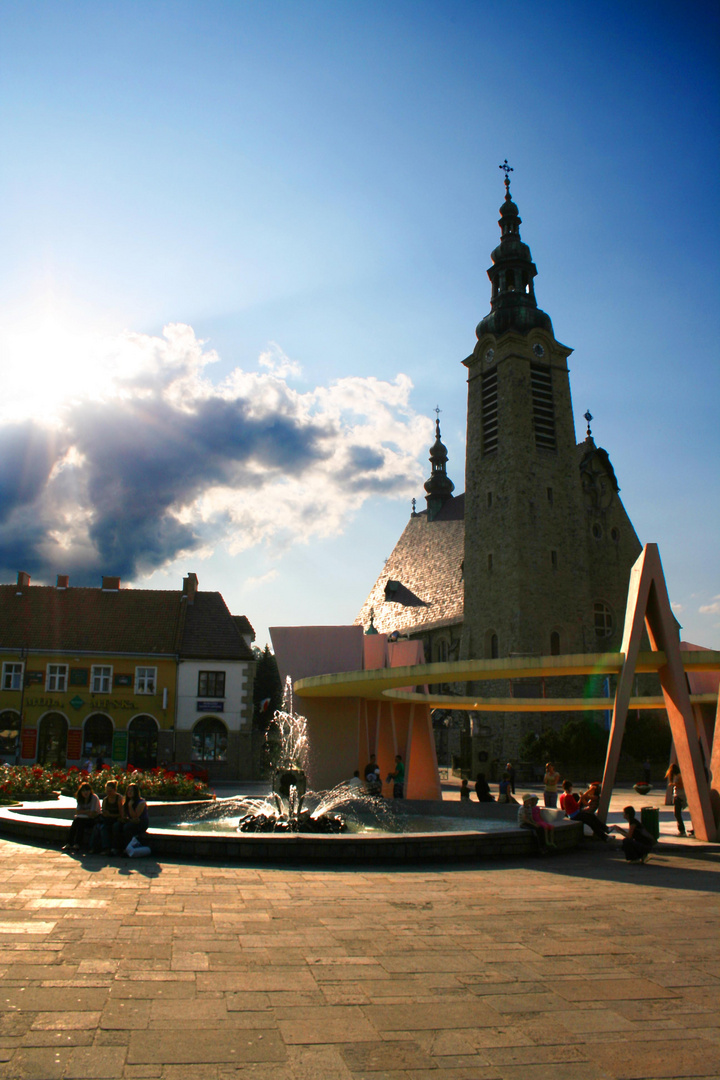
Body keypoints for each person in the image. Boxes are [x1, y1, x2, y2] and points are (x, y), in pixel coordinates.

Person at [62, 782, 101, 852]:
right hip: (83, 818)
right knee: (76, 822)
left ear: (90, 791)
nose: (85, 793)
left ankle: (77, 844)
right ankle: (69, 843)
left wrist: (84, 811)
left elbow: (92, 813)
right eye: (83, 791)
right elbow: (78, 811)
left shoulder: (94, 798)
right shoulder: (80, 798)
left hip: (94, 819)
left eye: (87, 790)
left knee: (80, 822)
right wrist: (87, 811)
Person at [91, 779, 123, 854]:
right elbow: (103, 811)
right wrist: (104, 814)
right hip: (107, 819)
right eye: (107, 791)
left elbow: (121, 814)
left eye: (110, 791)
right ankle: (94, 847)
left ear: (114, 790)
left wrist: (110, 815)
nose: (108, 793)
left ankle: (109, 848)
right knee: (98, 827)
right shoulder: (105, 800)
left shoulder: (119, 798)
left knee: (113, 827)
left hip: (116, 819)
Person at [120, 782, 149, 850]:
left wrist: (130, 806)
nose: (129, 792)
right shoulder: (126, 801)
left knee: (127, 827)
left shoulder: (141, 802)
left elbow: (135, 816)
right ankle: (116, 848)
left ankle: (128, 848)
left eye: (131, 790)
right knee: (117, 826)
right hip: (131, 821)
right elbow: (123, 815)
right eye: (128, 790)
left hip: (141, 823)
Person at [665, 763, 687, 836]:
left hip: (680, 796)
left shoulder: (679, 776)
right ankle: (681, 830)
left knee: (677, 813)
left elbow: (681, 786)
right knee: (677, 814)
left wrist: (674, 784)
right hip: (677, 796)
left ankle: (682, 830)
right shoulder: (677, 776)